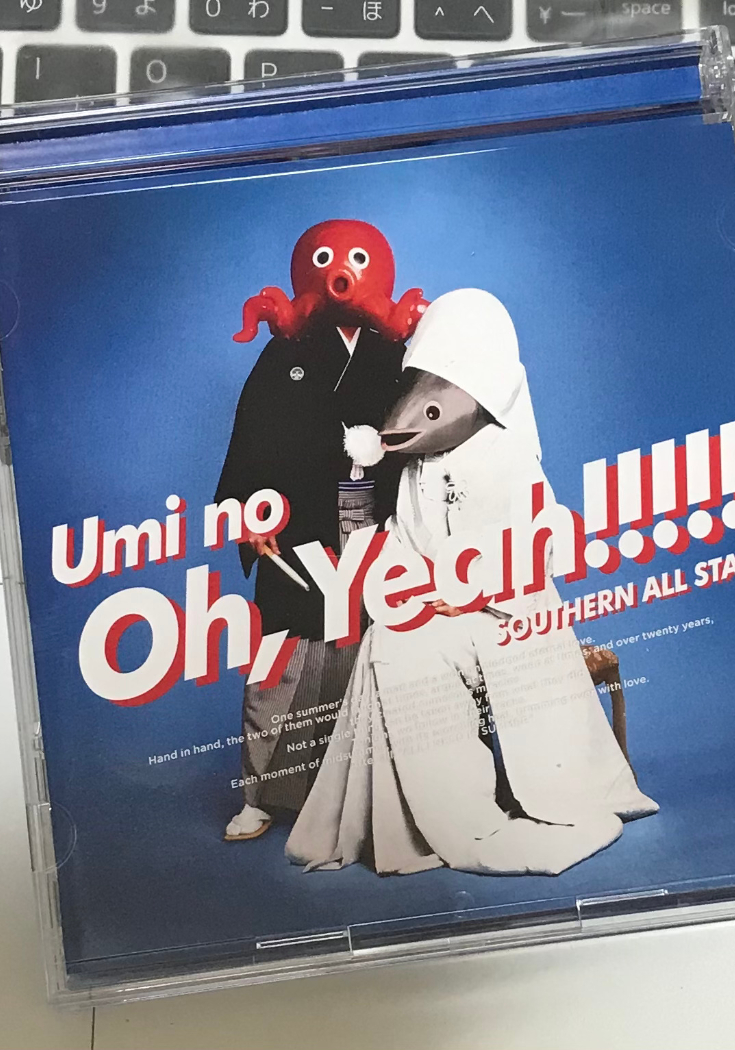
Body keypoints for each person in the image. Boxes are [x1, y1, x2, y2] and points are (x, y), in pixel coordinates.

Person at [285, 289, 658, 876]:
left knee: (493, 652)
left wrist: (470, 591)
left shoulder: (509, 458)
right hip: (440, 611)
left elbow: (538, 547)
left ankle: (558, 793)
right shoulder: (416, 470)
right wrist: (405, 587)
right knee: (393, 645)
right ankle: (447, 815)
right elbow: (405, 539)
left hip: (508, 611)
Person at [216, 220, 425, 841]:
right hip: (298, 523)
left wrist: (383, 451)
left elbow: (429, 431)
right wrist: (247, 514)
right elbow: (251, 435)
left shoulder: (397, 353)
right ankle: (261, 795)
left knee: (367, 652)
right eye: (329, 261)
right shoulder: (286, 352)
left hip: (376, 523)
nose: (342, 276)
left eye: (356, 261)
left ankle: (358, 793)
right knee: (281, 657)